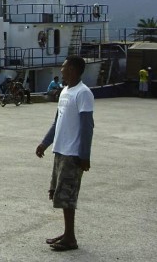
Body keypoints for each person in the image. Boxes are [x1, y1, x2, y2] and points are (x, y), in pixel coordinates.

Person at [35, 55, 95, 252]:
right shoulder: (65, 92)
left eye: (64, 66)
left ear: (74, 70)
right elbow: (57, 122)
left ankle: (71, 238)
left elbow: (87, 127)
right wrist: (44, 143)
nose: (61, 70)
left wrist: (84, 155)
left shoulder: (83, 93)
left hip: (73, 153)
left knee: (68, 196)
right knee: (59, 193)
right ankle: (67, 232)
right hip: (60, 150)